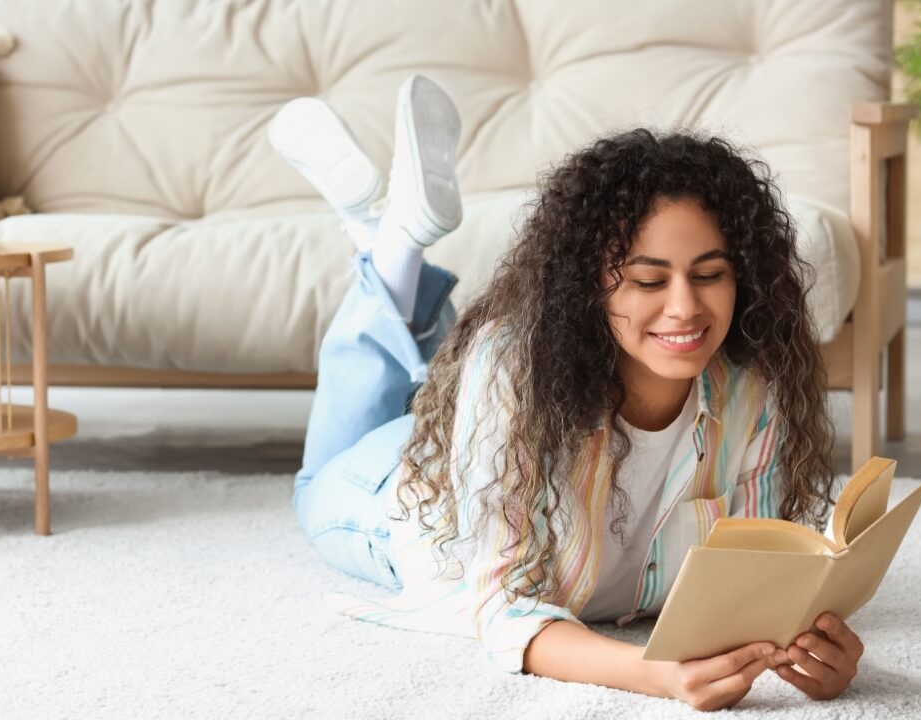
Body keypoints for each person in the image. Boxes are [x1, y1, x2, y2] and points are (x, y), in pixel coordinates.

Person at [269, 75, 859, 711]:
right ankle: (389, 252)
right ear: (589, 286)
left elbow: (755, 573)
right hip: (393, 493)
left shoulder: (750, 385)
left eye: (710, 274)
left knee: (444, 382)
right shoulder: (515, 368)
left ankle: (387, 249)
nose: (686, 307)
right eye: (646, 281)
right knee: (317, 482)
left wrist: (812, 649)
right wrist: (652, 672)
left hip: (477, 425)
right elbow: (502, 608)